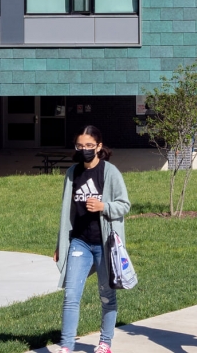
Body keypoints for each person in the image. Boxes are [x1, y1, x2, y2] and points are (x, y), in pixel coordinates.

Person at [56, 126, 129, 353]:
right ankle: (66, 345)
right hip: (79, 241)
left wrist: (103, 206)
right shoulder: (72, 173)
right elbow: (66, 213)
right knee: (71, 295)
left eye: (89, 146)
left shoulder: (110, 172)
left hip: (105, 243)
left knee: (107, 295)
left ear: (99, 147)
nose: (85, 149)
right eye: (80, 146)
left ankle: (105, 342)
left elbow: (124, 205)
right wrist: (61, 244)